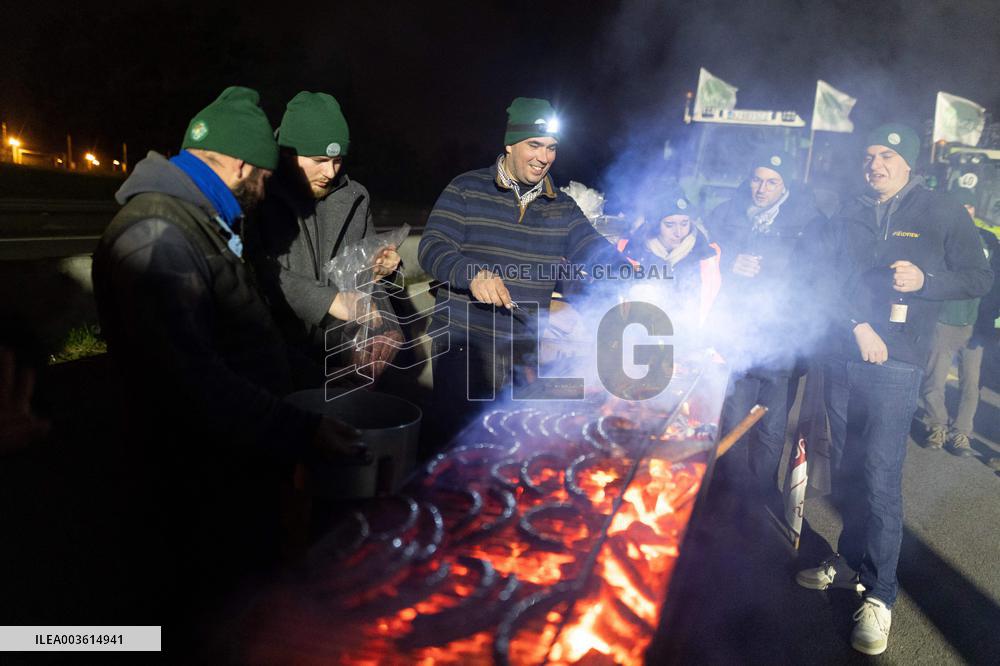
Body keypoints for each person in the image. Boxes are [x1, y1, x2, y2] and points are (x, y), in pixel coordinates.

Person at [91, 86, 367, 650]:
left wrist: (311, 390)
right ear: (242, 163)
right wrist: (301, 427)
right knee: (203, 621)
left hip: (233, 470)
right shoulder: (159, 235)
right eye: (264, 175)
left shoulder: (199, 224)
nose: (265, 189)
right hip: (193, 486)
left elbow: (244, 340)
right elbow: (192, 381)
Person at [796, 124, 992, 656]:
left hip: (897, 364)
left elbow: (978, 276)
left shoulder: (941, 210)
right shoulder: (850, 210)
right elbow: (826, 280)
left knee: (880, 479)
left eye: (887, 155)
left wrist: (927, 282)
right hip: (843, 356)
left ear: (909, 164)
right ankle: (850, 559)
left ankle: (880, 593)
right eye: (869, 156)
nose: (875, 164)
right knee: (848, 469)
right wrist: (858, 323)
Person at [418, 97, 626, 445]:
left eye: (551, 148)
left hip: (523, 350)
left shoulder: (561, 206)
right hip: (464, 346)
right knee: (452, 445)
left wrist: (625, 271)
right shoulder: (466, 189)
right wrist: (472, 273)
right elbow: (432, 248)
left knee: (508, 446)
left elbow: (590, 247)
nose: (543, 158)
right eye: (534, 145)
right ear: (510, 143)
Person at [246, 91, 400, 381]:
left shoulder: (356, 198)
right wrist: (327, 301)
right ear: (288, 154)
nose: (330, 172)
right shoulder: (256, 192)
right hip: (275, 363)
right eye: (318, 160)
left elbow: (364, 277)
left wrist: (383, 328)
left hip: (341, 361)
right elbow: (254, 270)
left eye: (337, 160)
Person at [704, 150, 827, 509]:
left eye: (771, 182)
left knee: (771, 428)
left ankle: (760, 497)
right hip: (739, 336)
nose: (761, 188)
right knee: (735, 419)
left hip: (783, 340)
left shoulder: (809, 221)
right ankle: (729, 493)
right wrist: (728, 264)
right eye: (757, 179)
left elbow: (818, 276)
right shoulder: (727, 212)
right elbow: (702, 256)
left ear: (785, 185)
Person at [920, 188, 998, 456]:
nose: (966, 211)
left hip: (977, 323)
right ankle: (937, 426)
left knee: (971, 384)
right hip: (946, 318)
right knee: (935, 380)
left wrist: (991, 318)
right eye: (960, 205)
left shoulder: (989, 240)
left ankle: (962, 433)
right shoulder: (939, 236)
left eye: (970, 206)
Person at [617, 187, 721, 327]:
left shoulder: (706, 255)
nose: (678, 233)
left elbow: (713, 304)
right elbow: (614, 298)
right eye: (669, 225)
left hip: (691, 337)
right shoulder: (630, 252)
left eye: (684, 224)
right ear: (654, 226)